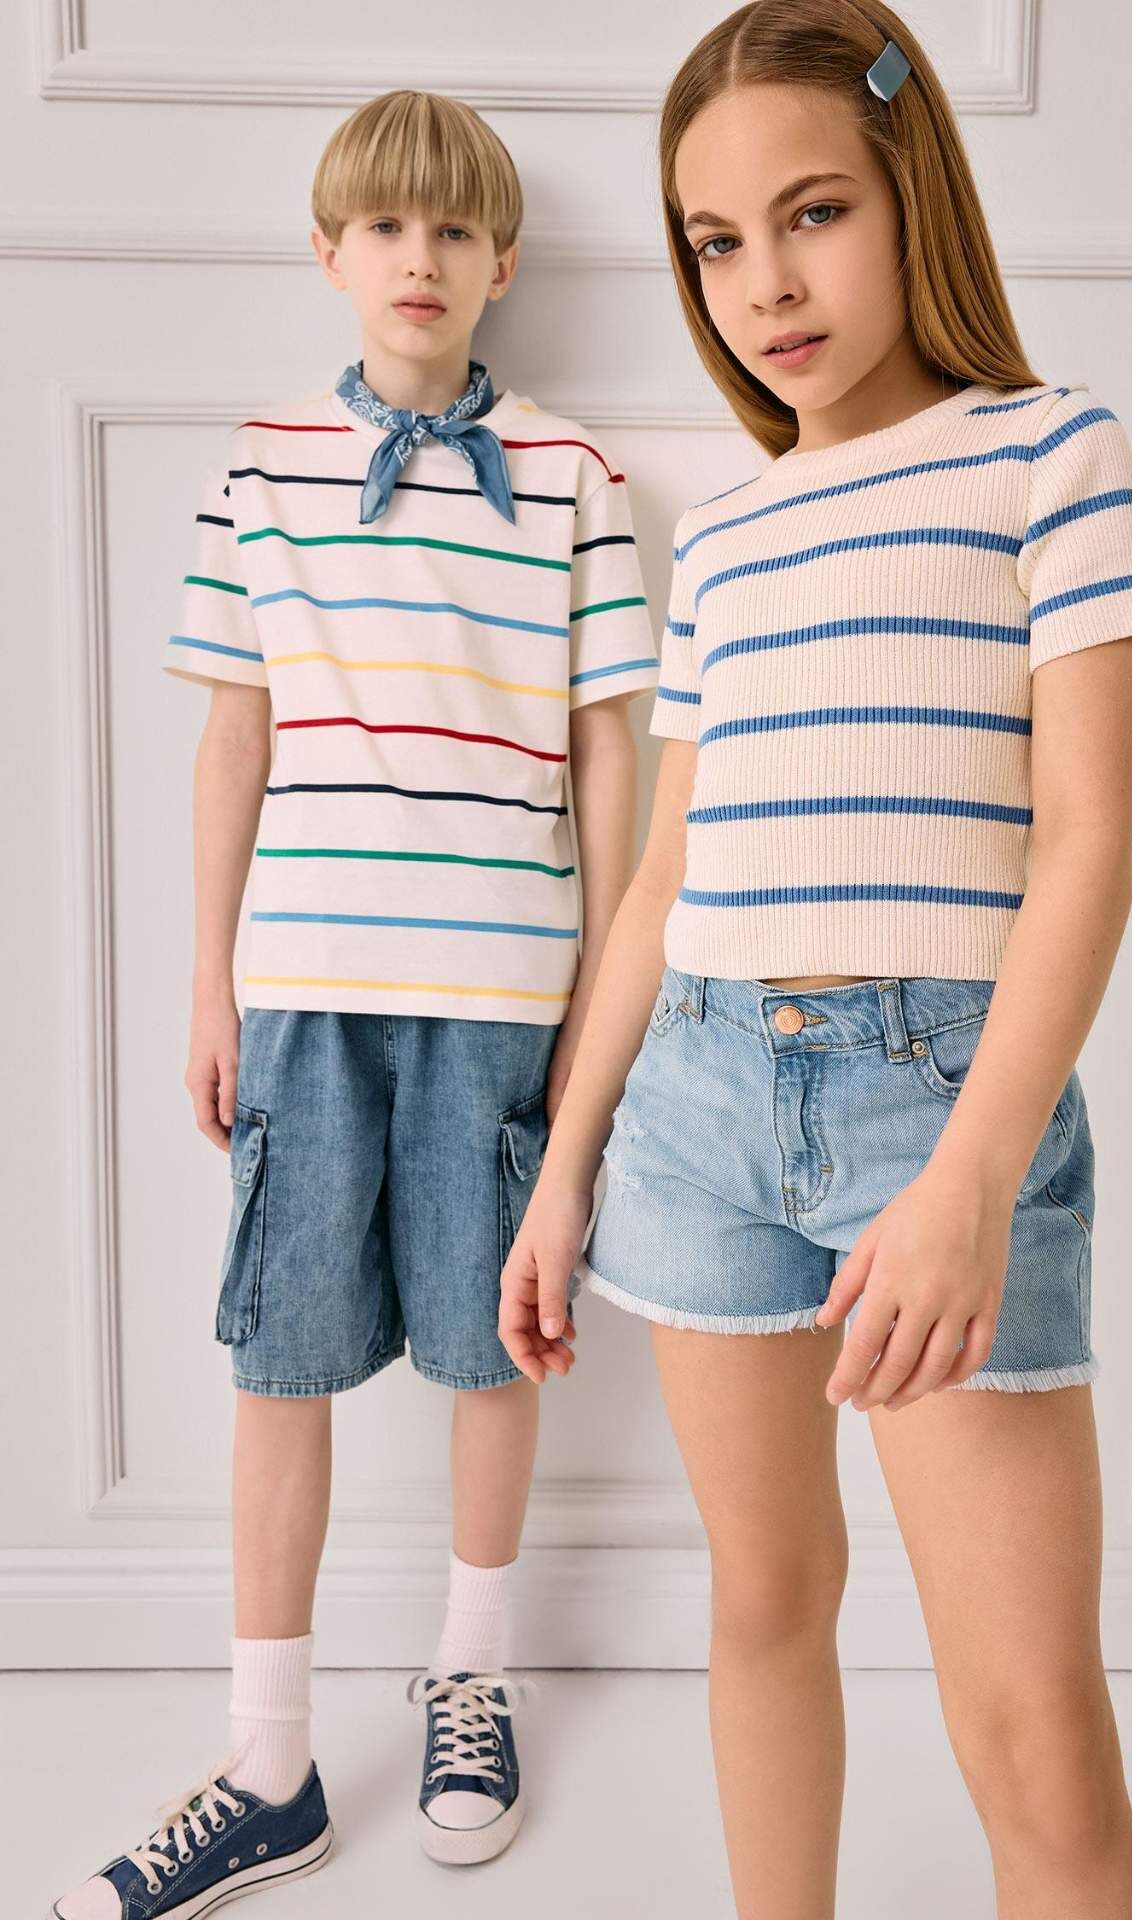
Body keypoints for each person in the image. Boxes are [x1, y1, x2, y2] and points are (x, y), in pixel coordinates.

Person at [498, 4, 1132, 1916]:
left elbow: (1090, 851)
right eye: (718, 242)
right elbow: (663, 881)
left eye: (813, 215)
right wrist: (564, 1169)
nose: (766, 287)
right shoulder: (723, 536)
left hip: (940, 1108)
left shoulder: (1052, 455)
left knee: (1034, 1734)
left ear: (913, 195)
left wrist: (970, 1180)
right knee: (763, 1605)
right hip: (696, 1115)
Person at [50, 88, 657, 1919]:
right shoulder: (262, 470)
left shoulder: (571, 477)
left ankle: (471, 1676)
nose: (421, 258)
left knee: (493, 1346)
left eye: (455, 229)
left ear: (503, 261)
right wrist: (208, 983)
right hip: (306, 990)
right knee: (280, 1358)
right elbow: (232, 739)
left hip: (505, 992)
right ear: (330, 254)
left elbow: (608, 753)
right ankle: (270, 1759)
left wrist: (600, 998)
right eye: (386, 227)